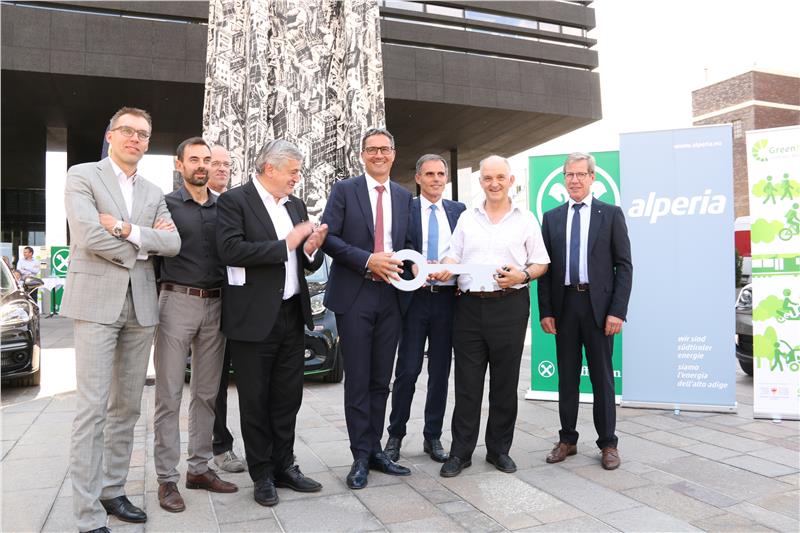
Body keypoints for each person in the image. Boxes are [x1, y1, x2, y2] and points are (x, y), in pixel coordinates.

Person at [61, 106, 181, 533]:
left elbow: (173, 243)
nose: (135, 138)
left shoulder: (153, 191)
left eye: (143, 134)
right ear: (110, 135)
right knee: (92, 409)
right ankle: (87, 514)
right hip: (95, 303)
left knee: (127, 407)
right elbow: (87, 234)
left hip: (142, 306)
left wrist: (125, 229)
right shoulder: (82, 176)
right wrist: (143, 245)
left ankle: (112, 490)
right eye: (127, 130)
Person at [216, 139, 328, 507]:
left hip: (292, 315)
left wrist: (310, 248)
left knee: (287, 398)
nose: (297, 178)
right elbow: (230, 250)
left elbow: (304, 260)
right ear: (270, 168)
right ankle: (261, 473)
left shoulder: (295, 205)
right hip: (253, 319)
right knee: (255, 400)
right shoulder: (235, 201)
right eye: (293, 171)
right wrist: (286, 244)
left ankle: (284, 466)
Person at [439, 155, 550, 478]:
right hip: (469, 307)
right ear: (481, 182)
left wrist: (522, 275)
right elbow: (453, 255)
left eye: (500, 177)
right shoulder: (467, 219)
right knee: (467, 385)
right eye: (488, 178)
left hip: (509, 306)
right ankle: (460, 453)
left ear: (511, 180)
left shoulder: (526, 220)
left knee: (505, 382)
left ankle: (499, 450)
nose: (494, 183)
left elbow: (541, 262)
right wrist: (445, 267)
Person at [321, 127, 413, 489]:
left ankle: (375, 450)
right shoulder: (345, 190)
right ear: (362, 155)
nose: (378, 155)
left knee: (380, 379)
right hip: (355, 293)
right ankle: (359, 455)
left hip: (391, 296)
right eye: (371, 149)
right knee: (358, 379)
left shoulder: (404, 196)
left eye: (384, 149)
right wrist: (367, 259)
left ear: (393, 154)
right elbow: (328, 238)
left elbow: (409, 245)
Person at [152, 138, 237, 513]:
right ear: (180, 164)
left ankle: (199, 469)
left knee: (207, 393)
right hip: (176, 302)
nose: (202, 165)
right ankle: (166, 479)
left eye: (207, 159)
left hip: (217, 305)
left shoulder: (226, 208)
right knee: (168, 394)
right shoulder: (164, 205)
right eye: (195, 159)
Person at [538, 152, 632, 471]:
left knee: (602, 378)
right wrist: (546, 311)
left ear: (593, 177)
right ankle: (567, 439)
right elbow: (545, 269)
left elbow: (624, 266)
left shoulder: (611, 214)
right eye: (569, 174)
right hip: (565, 306)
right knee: (567, 377)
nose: (575, 180)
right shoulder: (551, 218)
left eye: (581, 174)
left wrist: (617, 311)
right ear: (564, 178)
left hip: (600, 309)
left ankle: (608, 443)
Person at [384, 154, 465, 464]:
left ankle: (433, 437)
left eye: (440, 174)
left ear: (446, 178)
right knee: (407, 370)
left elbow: (466, 249)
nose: (436, 179)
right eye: (429, 174)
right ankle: (395, 435)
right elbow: (398, 247)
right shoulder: (406, 209)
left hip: (447, 300)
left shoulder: (459, 211)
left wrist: (455, 271)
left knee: (440, 373)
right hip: (414, 300)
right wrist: (412, 268)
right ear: (418, 178)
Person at [206, 144, 246, 473]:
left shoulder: (239, 204)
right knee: (213, 382)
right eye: (214, 163)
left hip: (242, 304)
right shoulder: (189, 204)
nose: (221, 168)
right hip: (207, 302)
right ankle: (219, 445)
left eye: (227, 164)